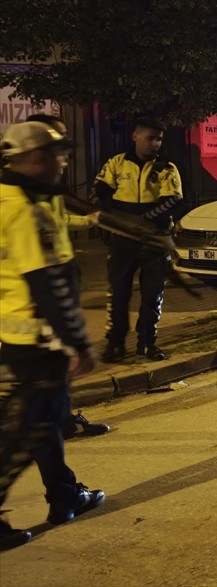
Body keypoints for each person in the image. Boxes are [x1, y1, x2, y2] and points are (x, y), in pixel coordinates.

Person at [1, 122, 107, 551]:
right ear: (35, 158)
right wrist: (77, 342)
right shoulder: (26, 210)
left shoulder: (13, 198)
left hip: (17, 333)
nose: (64, 161)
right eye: (57, 153)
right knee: (21, 433)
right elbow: (46, 283)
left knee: (45, 421)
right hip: (38, 337)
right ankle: (63, 495)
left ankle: (64, 496)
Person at [26, 114, 111, 439]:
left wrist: (86, 221)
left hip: (48, 289)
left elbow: (57, 222)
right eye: (58, 141)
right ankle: (56, 423)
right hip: (36, 298)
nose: (65, 155)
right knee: (52, 362)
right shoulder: (22, 193)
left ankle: (55, 423)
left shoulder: (39, 189)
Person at [93, 116, 182, 362]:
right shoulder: (117, 163)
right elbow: (100, 190)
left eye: (159, 139)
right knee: (118, 294)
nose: (155, 143)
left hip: (155, 240)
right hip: (122, 240)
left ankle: (147, 343)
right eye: (150, 138)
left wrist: (141, 220)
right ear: (135, 136)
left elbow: (172, 201)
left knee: (153, 295)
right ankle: (115, 344)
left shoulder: (166, 168)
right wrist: (108, 215)